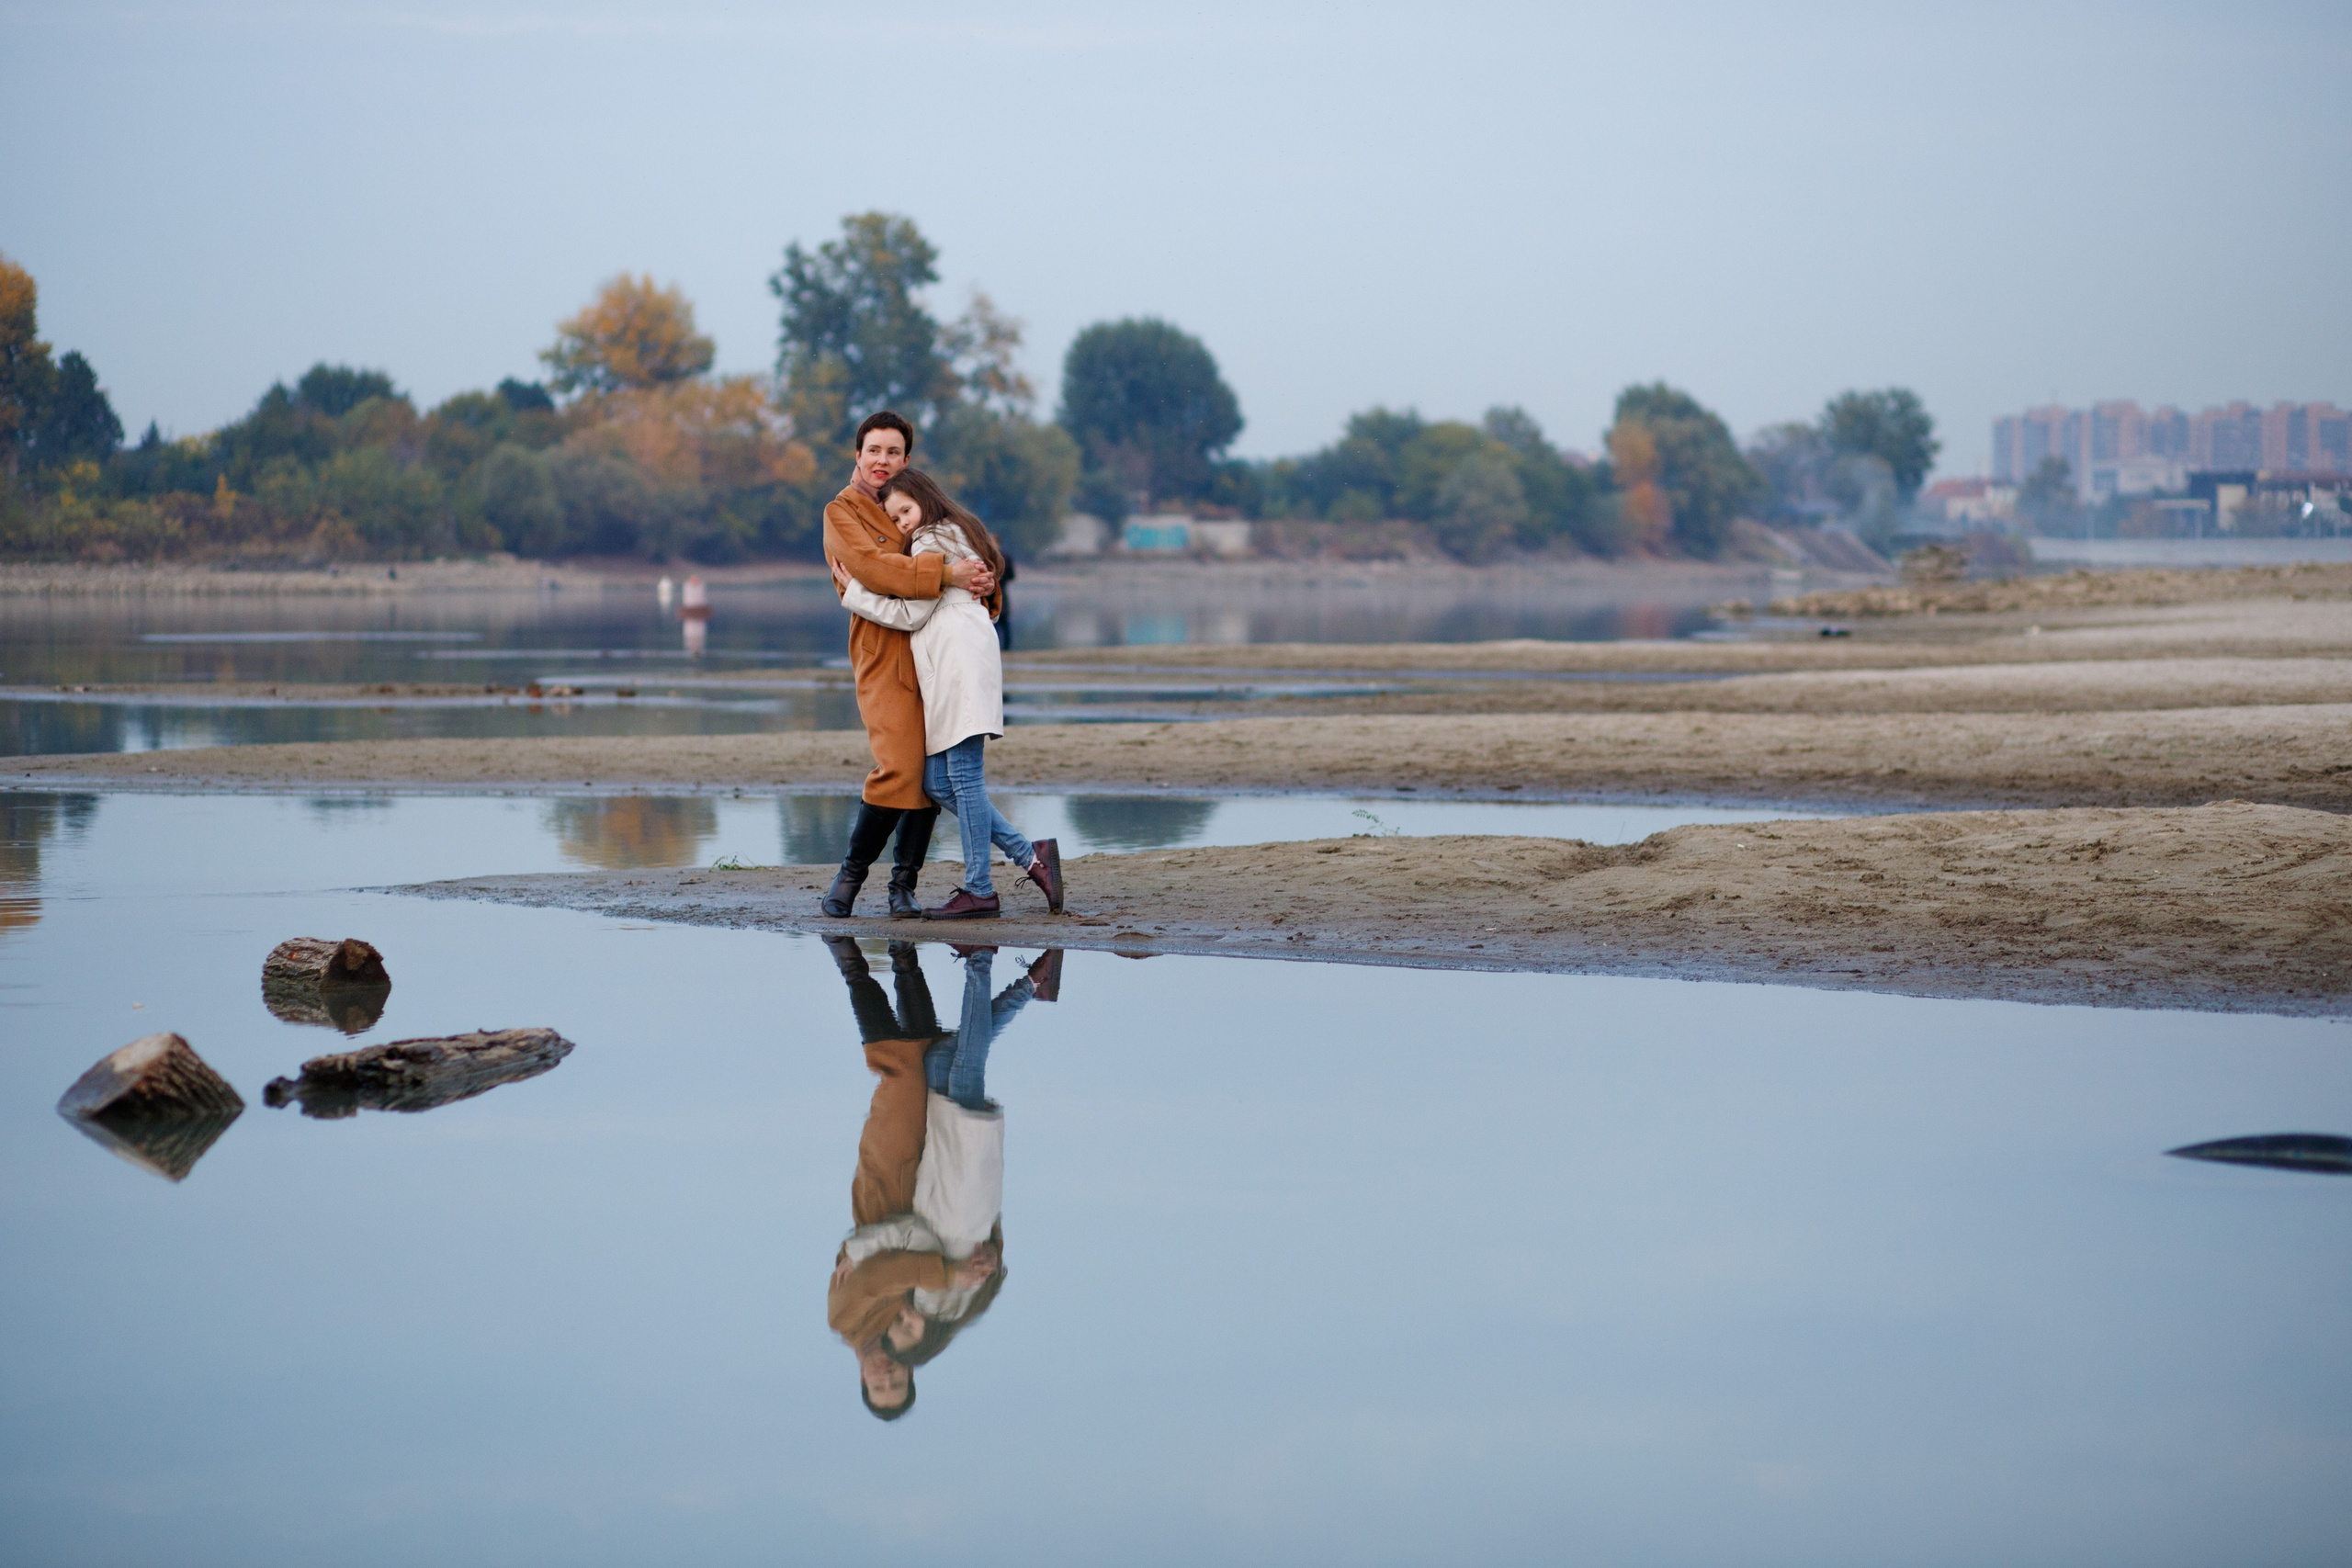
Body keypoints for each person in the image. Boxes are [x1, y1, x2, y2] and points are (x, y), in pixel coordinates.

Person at [823, 937, 1058, 1421]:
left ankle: (850, 964)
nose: (886, 1373)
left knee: (900, 1070)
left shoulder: (846, 1322)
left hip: (888, 1184)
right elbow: (969, 1257)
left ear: (862, 1379)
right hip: (931, 1186)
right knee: (929, 1057)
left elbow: (882, 1272)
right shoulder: (922, 1326)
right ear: (910, 1372)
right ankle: (906, 955)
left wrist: (944, 1272)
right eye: (897, 1381)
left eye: (878, 1383)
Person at [831, 467, 1063, 921]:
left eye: (905, 511)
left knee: (965, 777)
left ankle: (980, 889)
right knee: (938, 782)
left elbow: (911, 615)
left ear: (923, 498)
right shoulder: (952, 533)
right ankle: (1032, 857)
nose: (903, 524)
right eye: (895, 519)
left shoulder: (932, 541)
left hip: (958, 661)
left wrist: (853, 593)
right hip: (954, 661)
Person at [820, 412, 997, 919]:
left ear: (906, 460)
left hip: (934, 651)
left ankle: (904, 885)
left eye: (893, 452)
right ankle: (850, 877)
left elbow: (975, 549)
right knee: (897, 767)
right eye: (874, 450)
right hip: (882, 652)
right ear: (857, 454)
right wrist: (947, 574)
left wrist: (982, 582)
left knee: (927, 773)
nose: (882, 461)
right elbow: (873, 569)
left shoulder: (918, 506)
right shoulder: (840, 512)